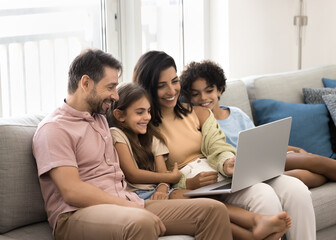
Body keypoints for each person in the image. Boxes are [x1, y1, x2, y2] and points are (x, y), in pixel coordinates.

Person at [32, 49, 234, 240]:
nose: (115, 96)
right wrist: (130, 206)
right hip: (75, 214)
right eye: (110, 87)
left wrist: (155, 190)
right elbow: (72, 191)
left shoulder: (100, 117)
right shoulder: (54, 129)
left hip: (125, 203)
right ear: (85, 83)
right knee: (141, 222)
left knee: (212, 211)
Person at [133, 50, 316, 240]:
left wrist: (227, 162)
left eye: (174, 81)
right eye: (162, 85)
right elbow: (154, 176)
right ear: (147, 88)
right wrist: (187, 183)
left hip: (221, 176)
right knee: (263, 195)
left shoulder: (199, 113)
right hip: (190, 186)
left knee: (297, 189)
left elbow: (218, 147)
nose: (171, 91)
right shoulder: (143, 126)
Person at [109, 82, 291, 240]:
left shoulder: (153, 136)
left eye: (148, 111)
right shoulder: (116, 134)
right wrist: (173, 181)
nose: (147, 117)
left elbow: (163, 174)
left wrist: (165, 184)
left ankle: (256, 223)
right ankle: (252, 231)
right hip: (139, 196)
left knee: (276, 182)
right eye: (140, 112)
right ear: (119, 115)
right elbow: (133, 174)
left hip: (162, 189)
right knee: (199, 202)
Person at [179, 60, 336, 188]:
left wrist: (293, 149)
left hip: (263, 156)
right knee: (300, 174)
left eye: (208, 90)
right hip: (241, 168)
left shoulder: (236, 113)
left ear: (219, 90)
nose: (203, 98)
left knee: (312, 165)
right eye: (195, 94)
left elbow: (260, 142)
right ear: (189, 98)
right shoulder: (199, 123)